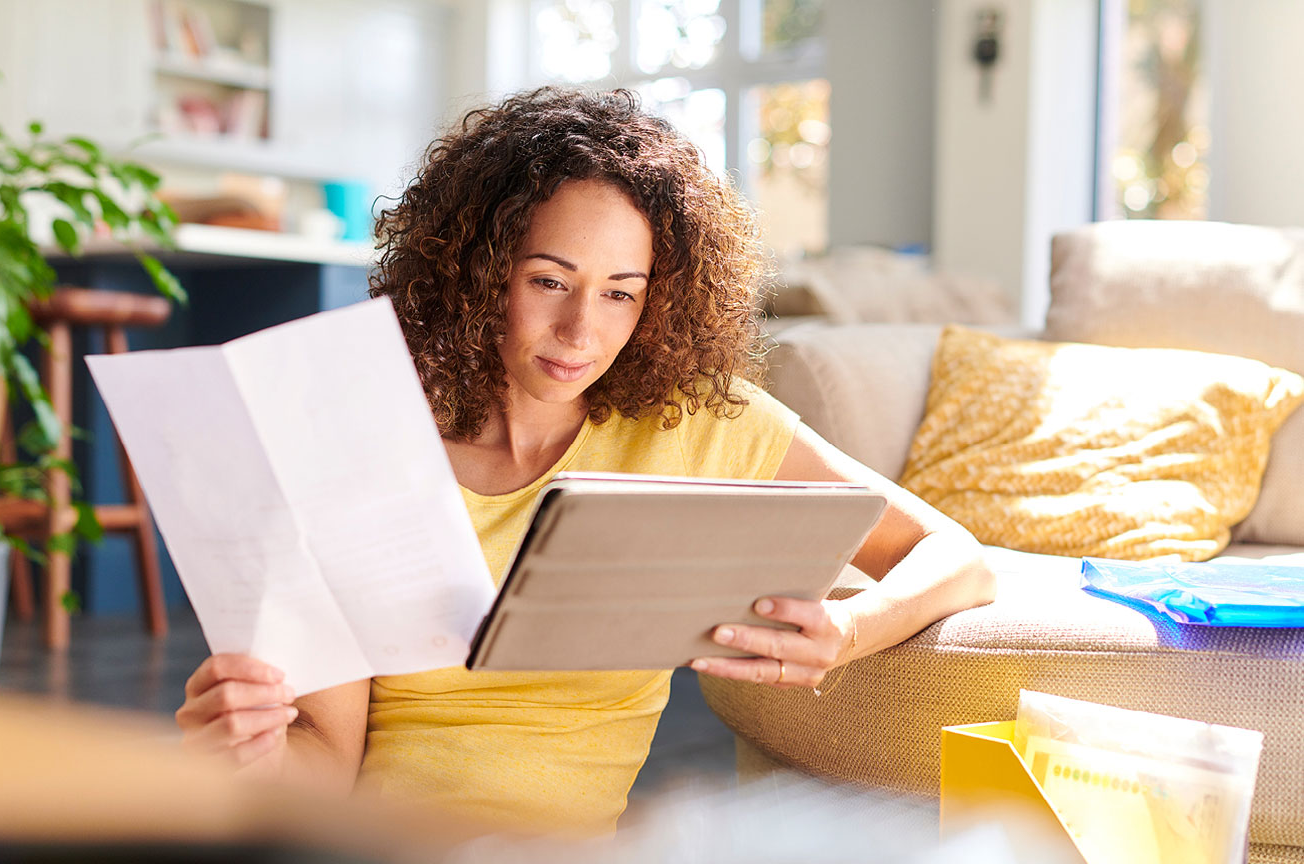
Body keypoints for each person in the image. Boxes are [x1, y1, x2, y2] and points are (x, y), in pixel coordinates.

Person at [175, 87, 996, 836]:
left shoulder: (698, 422)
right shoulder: (365, 441)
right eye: (548, 281)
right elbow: (326, 764)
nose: (580, 332)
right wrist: (251, 751)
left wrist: (849, 630)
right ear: (477, 270)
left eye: (619, 292)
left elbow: (955, 558)